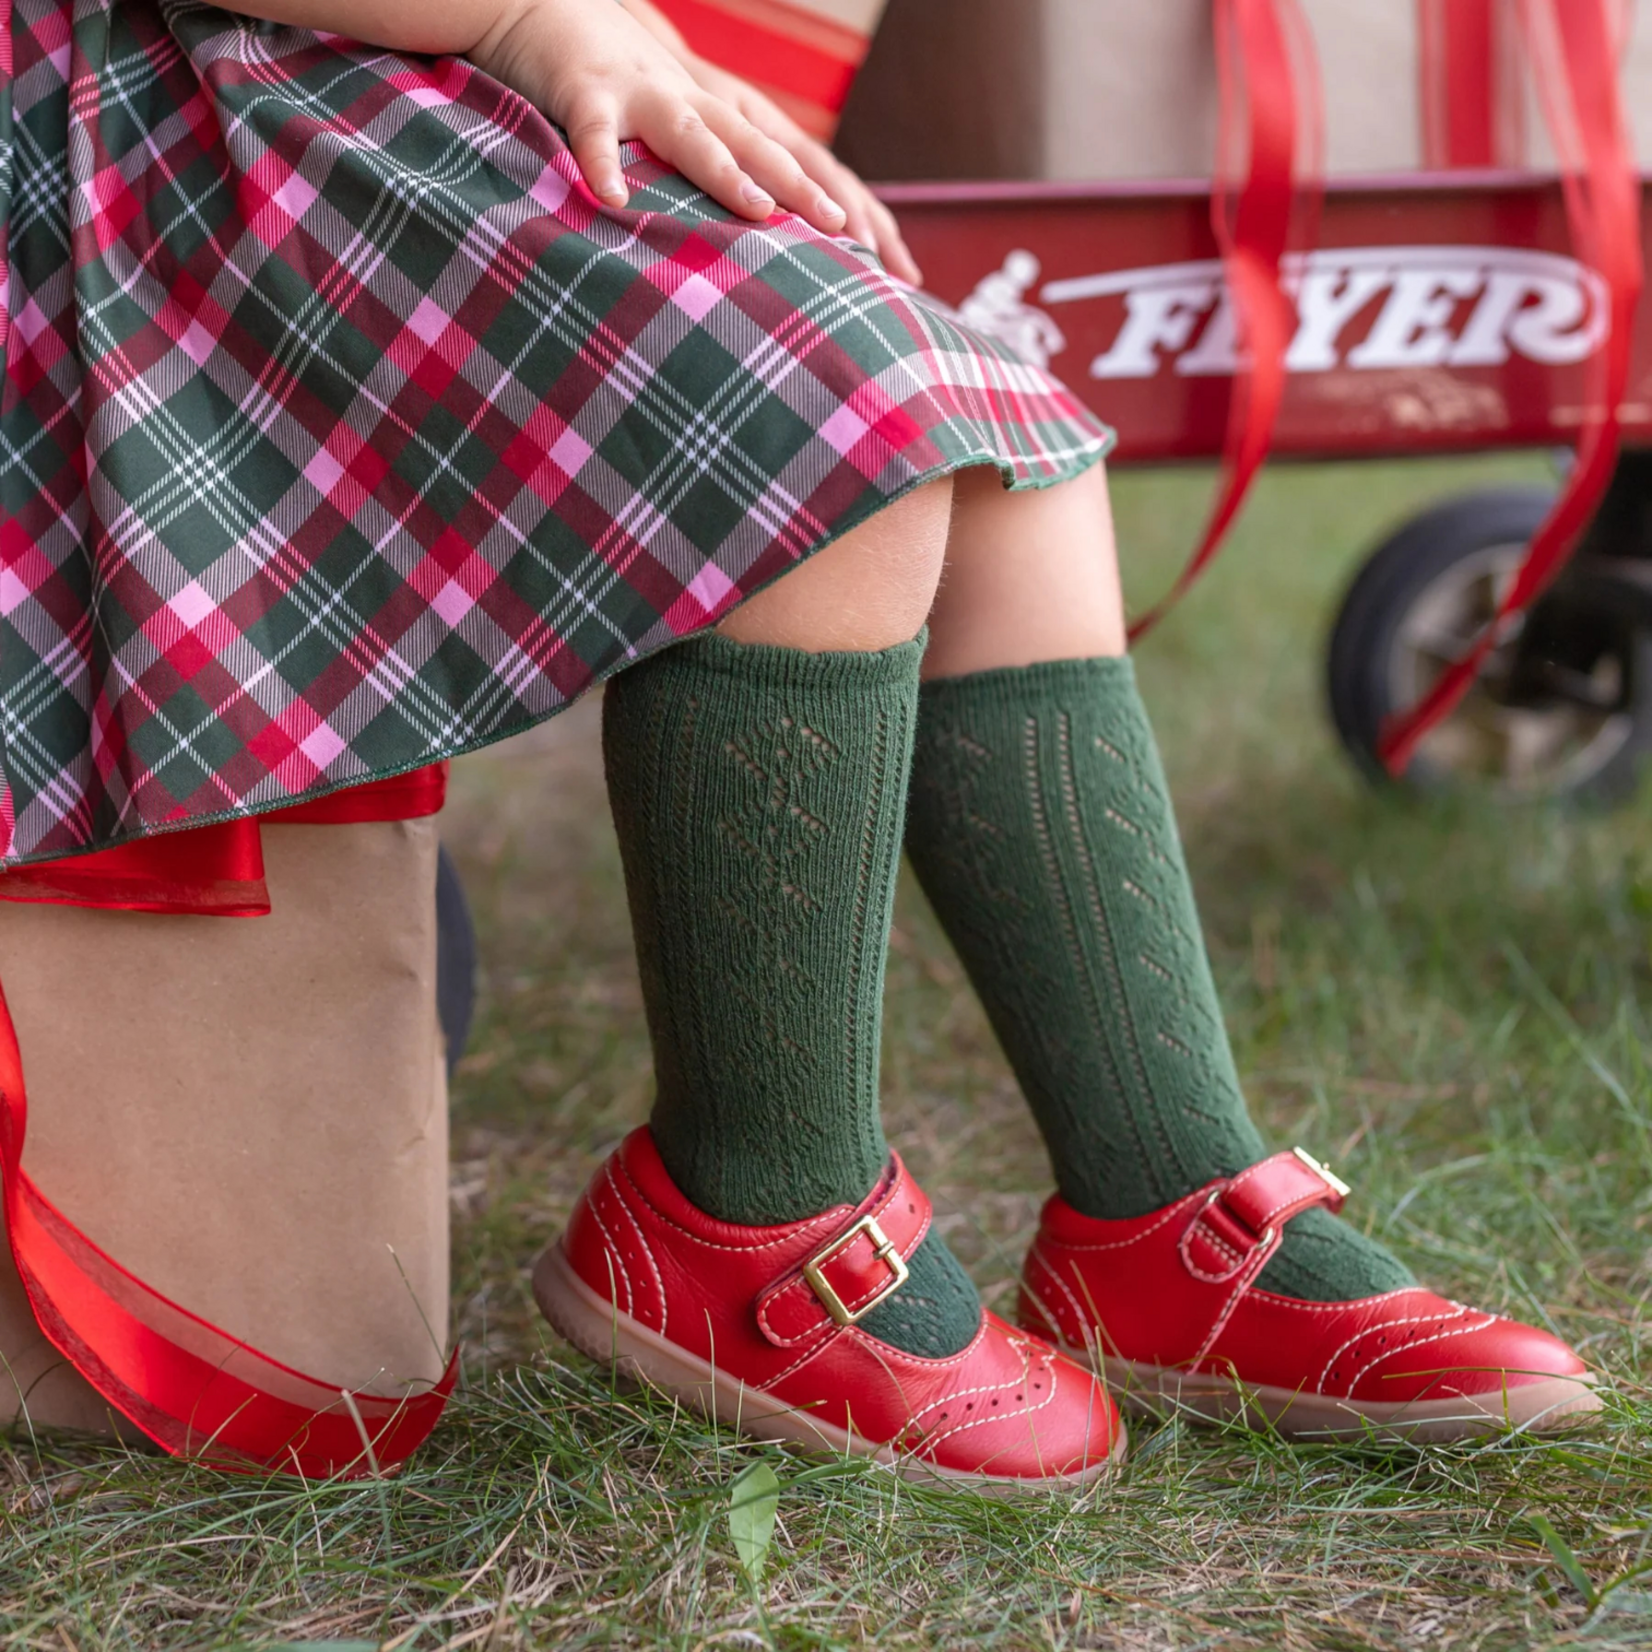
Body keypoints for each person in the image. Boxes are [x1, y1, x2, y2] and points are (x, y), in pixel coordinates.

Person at [3, 0, 1597, 1489]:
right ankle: (749, 1207)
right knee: (828, 412)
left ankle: (1164, 1202)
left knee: (1011, 445)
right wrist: (530, 21)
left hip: (374, 73)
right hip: (156, 123)